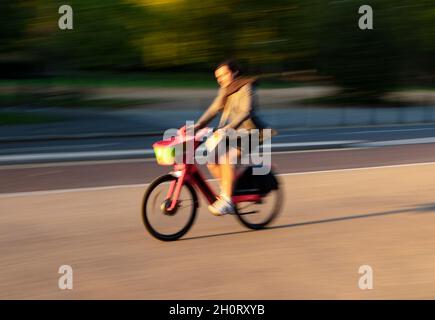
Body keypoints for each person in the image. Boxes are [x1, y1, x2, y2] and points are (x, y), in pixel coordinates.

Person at [180, 60, 268, 216]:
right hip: (233, 133)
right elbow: (214, 109)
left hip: (252, 133)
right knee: (212, 159)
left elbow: (245, 112)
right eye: (218, 77)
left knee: (227, 158)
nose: (221, 79)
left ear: (234, 72)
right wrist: (197, 125)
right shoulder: (225, 90)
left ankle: (227, 200)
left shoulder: (246, 87)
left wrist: (227, 129)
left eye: (224, 74)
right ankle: (230, 190)